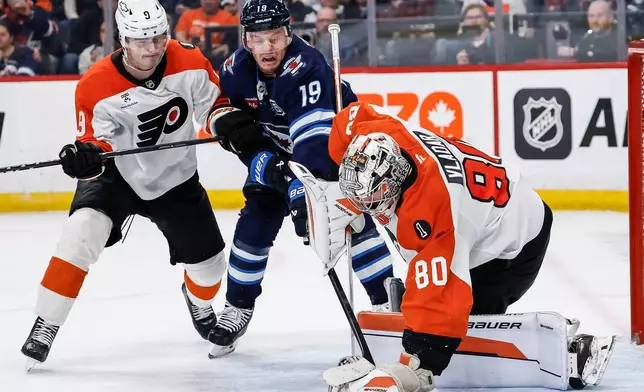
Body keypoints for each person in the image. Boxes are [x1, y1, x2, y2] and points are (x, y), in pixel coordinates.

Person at [289, 101, 615, 391]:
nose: (366, 206)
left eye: (371, 198)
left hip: (515, 242)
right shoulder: (380, 134)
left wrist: (416, 366)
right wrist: (324, 182)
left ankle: (569, 352)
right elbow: (351, 117)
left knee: (462, 319)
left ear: (393, 182)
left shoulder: (431, 213)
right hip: (491, 204)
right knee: (425, 293)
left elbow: (442, 299)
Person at [20, 0, 234, 368]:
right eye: (141, 40)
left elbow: (213, 107)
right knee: (81, 231)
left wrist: (225, 122)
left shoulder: (190, 60)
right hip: (117, 174)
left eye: (158, 37)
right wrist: (83, 156)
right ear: (123, 39)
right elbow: (95, 144)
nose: (152, 48)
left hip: (175, 178)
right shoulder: (94, 84)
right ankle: (46, 323)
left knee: (211, 268)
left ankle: (197, 301)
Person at [204, 0, 396, 358]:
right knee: (255, 223)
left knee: (349, 220)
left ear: (288, 33)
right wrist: (237, 133)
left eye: (275, 37)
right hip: (280, 155)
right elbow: (218, 110)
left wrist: (298, 191)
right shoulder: (234, 69)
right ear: (246, 39)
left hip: (332, 155)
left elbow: (313, 146)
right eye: (258, 39)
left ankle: (388, 304)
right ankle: (238, 307)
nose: (267, 48)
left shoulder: (306, 67)